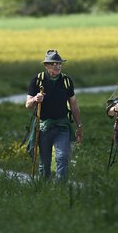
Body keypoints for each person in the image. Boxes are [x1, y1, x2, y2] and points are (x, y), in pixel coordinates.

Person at [26, 49, 83, 180]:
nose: (57, 66)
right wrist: (35, 99)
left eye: (59, 63)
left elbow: (74, 105)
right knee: (44, 163)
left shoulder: (66, 81)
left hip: (62, 126)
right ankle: (44, 187)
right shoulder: (37, 80)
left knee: (62, 157)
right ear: (46, 65)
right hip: (43, 127)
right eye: (53, 63)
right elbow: (28, 105)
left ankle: (60, 187)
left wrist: (79, 126)